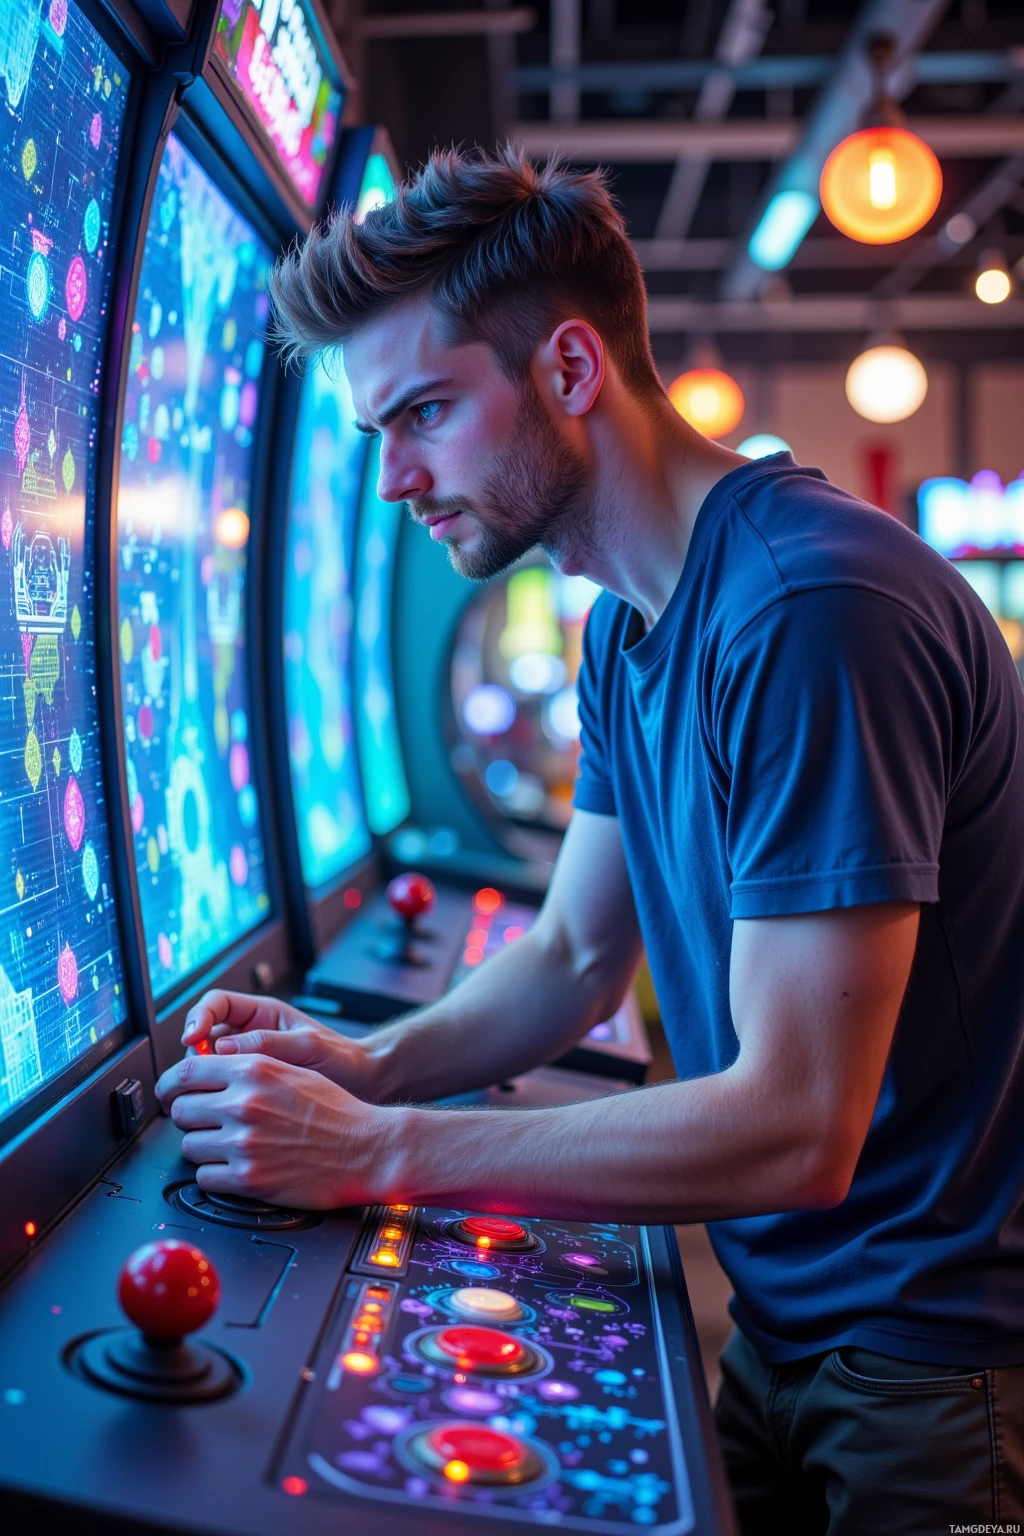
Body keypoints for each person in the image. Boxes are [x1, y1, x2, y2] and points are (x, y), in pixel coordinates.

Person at [155, 147, 1024, 1531]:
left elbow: (801, 1127)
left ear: (568, 369)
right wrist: (366, 1064)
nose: (394, 480)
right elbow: (568, 957)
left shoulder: (810, 610)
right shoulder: (630, 621)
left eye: (425, 414)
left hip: (934, 1356)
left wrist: (376, 1153)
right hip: (798, 1320)